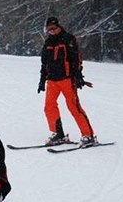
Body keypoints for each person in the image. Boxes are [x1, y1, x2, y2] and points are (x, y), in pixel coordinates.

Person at [38, 17, 95, 147]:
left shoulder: (68, 39)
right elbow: (44, 63)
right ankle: (58, 134)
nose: (51, 31)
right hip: (52, 80)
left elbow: (76, 59)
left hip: (67, 79)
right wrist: (42, 80)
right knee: (49, 106)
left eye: (53, 28)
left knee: (73, 106)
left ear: (58, 26)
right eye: (49, 30)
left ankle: (88, 135)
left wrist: (78, 76)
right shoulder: (48, 43)